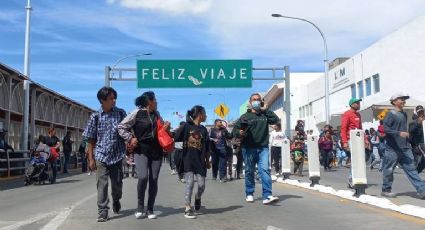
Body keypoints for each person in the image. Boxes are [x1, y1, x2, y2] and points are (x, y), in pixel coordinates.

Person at [118, 91, 169, 219]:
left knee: (154, 179)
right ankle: (140, 207)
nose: (157, 102)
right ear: (149, 102)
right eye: (155, 100)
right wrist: (130, 138)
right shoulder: (136, 113)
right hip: (141, 150)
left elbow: (160, 131)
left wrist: (166, 127)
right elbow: (121, 126)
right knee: (143, 177)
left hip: (156, 151)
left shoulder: (157, 114)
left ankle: (150, 209)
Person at [83, 86, 127, 222]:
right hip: (101, 155)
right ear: (102, 100)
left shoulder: (121, 114)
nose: (114, 101)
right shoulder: (95, 116)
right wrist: (91, 158)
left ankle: (116, 199)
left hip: (117, 155)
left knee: (117, 184)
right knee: (102, 185)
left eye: (115, 98)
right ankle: (103, 211)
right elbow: (90, 139)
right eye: (111, 99)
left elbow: (127, 130)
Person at [232, 93, 280, 205]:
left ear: (261, 101)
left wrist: (265, 109)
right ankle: (249, 193)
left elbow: (275, 120)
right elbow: (235, 130)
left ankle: (267, 195)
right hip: (248, 148)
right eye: (254, 100)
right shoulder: (245, 116)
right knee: (249, 171)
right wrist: (239, 132)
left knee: (264, 170)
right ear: (250, 102)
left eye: (258, 100)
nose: (256, 101)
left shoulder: (265, 115)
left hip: (263, 148)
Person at [381, 93, 425, 199]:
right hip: (392, 148)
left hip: (405, 147)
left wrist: (418, 123)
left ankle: (422, 190)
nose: (404, 101)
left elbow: (406, 130)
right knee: (389, 169)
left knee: (411, 170)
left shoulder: (404, 114)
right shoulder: (390, 114)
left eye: (404, 99)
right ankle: (386, 190)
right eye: (401, 99)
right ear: (394, 101)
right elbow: (385, 129)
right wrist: (398, 133)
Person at [174, 105, 210, 219]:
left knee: (201, 185)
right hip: (188, 160)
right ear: (200, 114)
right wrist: (166, 130)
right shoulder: (186, 126)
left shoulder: (204, 130)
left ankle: (198, 197)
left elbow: (207, 147)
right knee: (189, 183)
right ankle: (188, 207)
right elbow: (175, 136)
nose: (206, 115)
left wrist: (207, 161)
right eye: (205, 113)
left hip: (200, 161)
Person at [340, 98, 364, 188]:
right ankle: (351, 180)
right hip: (350, 140)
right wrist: (345, 142)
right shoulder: (347, 114)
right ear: (352, 104)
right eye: (357, 103)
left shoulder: (358, 114)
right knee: (354, 160)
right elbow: (343, 129)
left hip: (358, 139)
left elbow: (360, 128)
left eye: (359, 103)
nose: (359, 104)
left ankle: (357, 178)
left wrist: (365, 140)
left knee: (359, 160)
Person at [409, 105, 425, 173]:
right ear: (417, 113)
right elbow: (411, 131)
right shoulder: (414, 122)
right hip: (420, 144)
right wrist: (414, 146)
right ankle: (415, 173)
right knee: (421, 161)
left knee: (423, 162)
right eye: (419, 112)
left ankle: (416, 173)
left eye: (422, 111)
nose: (421, 113)